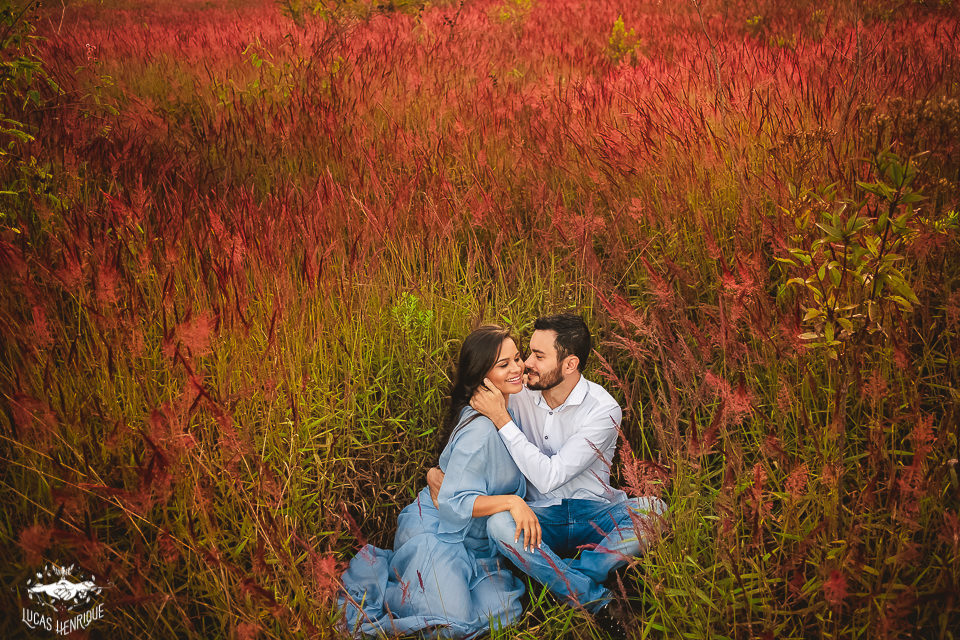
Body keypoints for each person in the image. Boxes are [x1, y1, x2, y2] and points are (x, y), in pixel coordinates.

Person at [427, 314, 667, 616]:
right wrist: (438, 470)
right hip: (540, 517)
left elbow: (549, 476)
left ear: (569, 365)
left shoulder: (603, 410)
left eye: (538, 356)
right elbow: (470, 416)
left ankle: (566, 576)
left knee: (655, 511)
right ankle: (584, 592)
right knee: (499, 524)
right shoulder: (518, 391)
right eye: (528, 352)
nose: (526, 364)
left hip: (595, 511)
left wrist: (503, 420)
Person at [338, 325, 541, 639]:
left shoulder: (510, 407)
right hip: (441, 533)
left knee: (502, 612)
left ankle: (432, 592)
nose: (517, 368)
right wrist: (513, 501)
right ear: (481, 375)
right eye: (504, 365)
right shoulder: (481, 429)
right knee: (449, 623)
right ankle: (399, 592)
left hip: (477, 544)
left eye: (517, 359)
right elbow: (453, 501)